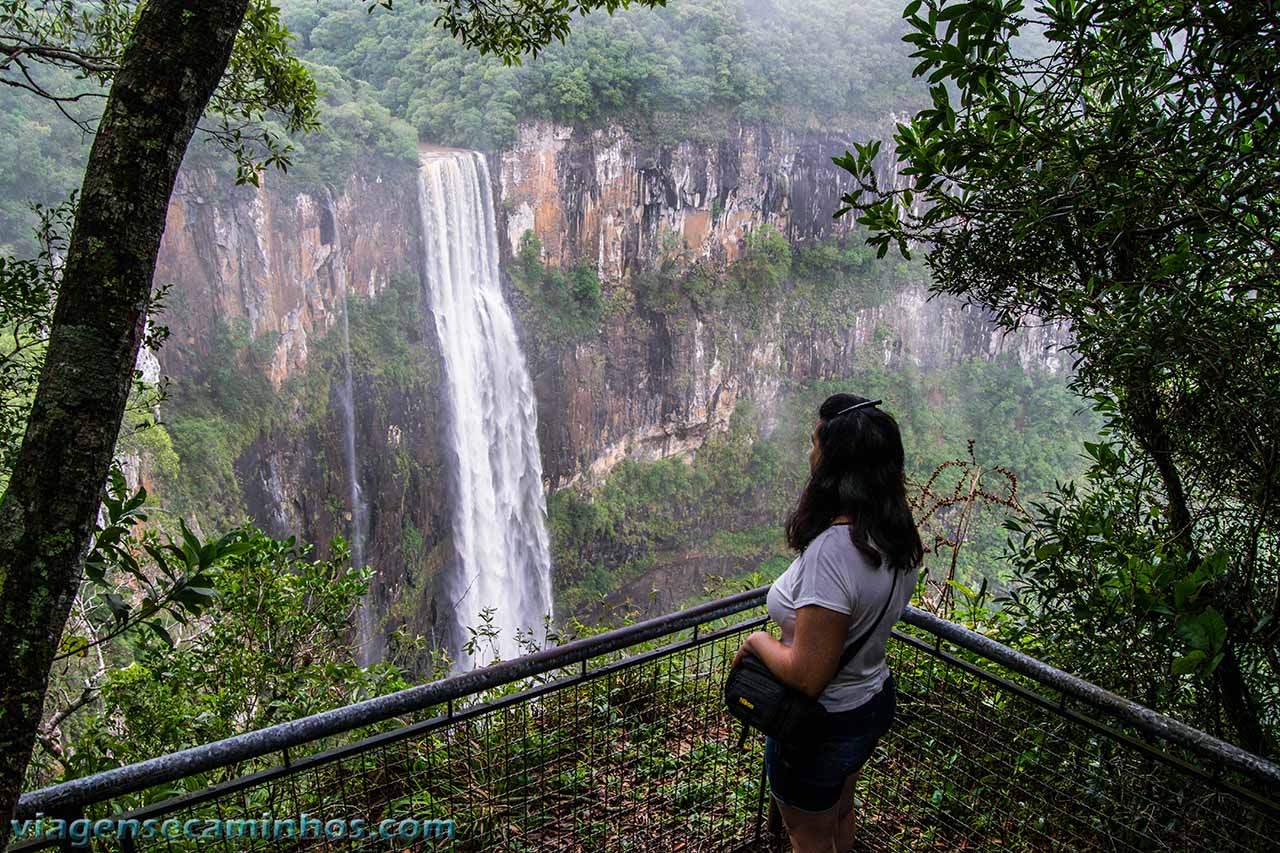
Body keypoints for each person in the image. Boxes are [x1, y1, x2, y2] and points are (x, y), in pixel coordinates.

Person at [732, 393, 922, 853]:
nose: (809, 452)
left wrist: (757, 640)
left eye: (815, 443)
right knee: (839, 811)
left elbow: (808, 675)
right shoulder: (896, 535)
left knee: (808, 836)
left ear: (837, 461)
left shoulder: (834, 553)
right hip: (871, 700)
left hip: (820, 725)